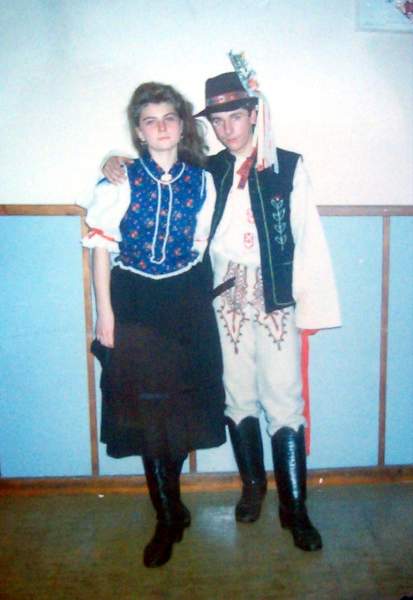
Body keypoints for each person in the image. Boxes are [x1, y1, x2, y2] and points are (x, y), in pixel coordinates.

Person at [102, 61, 341, 553]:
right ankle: (253, 489)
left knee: (284, 400)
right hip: (221, 295)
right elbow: (155, 170)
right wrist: (113, 160)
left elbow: (310, 240)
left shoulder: (289, 166)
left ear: (254, 114)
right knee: (237, 396)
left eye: (235, 117)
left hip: (274, 295)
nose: (227, 129)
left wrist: (310, 307)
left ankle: (295, 510)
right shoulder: (208, 171)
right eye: (217, 120)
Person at [82, 82, 226, 568]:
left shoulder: (202, 182)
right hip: (135, 303)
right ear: (139, 132)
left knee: (180, 409)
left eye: (169, 118)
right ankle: (167, 517)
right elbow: (101, 248)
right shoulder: (119, 181)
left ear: (182, 126)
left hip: (185, 304)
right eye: (150, 120)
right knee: (147, 412)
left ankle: (172, 504)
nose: (161, 127)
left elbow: (202, 245)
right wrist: (105, 313)